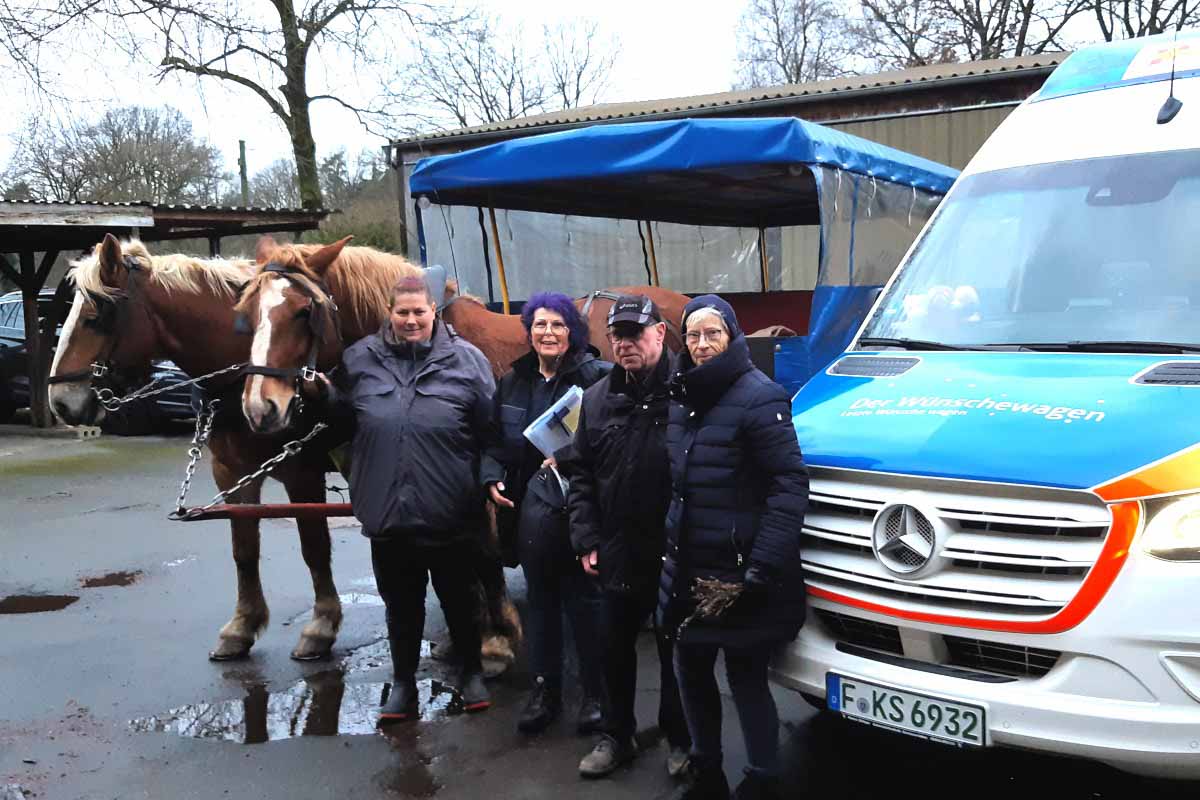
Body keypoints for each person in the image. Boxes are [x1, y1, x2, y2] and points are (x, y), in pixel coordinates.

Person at [317, 275, 497, 724]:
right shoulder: (359, 361)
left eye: (419, 312)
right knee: (401, 603)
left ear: (433, 311)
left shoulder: (467, 361)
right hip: (388, 510)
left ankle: (471, 672)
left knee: (459, 596)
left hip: (451, 508)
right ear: (389, 314)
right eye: (403, 312)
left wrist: (486, 480)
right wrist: (322, 398)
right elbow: (341, 427)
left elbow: (491, 432)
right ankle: (402, 684)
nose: (411, 320)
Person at [658, 295, 808, 800]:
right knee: (691, 667)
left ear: (733, 337)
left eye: (712, 334)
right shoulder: (682, 397)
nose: (702, 345)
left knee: (745, 676)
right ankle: (706, 767)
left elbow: (788, 482)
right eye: (693, 335)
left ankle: (764, 777)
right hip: (689, 565)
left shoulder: (761, 397)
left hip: (739, 573)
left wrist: (763, 564)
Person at [565, 294, 692, 780]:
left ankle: (679, 737)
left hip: (674, 549)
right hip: (617, 547)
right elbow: (580, 474)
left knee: (674, 649)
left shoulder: (688, 393)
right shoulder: (597, 399)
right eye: (618, 334)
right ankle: (616, 736)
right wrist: (586, 538)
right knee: (613, 648)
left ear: (660, 333)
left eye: (636, 332)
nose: (626, 343)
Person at [480, 292, 611, 736]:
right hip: (527, 512)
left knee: (585, 603)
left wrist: (572, 455)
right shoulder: (513, 383)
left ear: (572, 330)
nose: (548, 333)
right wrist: (492, 475)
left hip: (579, 514)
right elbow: (494, 441)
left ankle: (596, 694)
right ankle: (545, 690)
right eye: (540, 325)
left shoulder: (598, 379)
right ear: (529, 332)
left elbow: (615, 442)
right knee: (540, 604)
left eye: (557, 325)